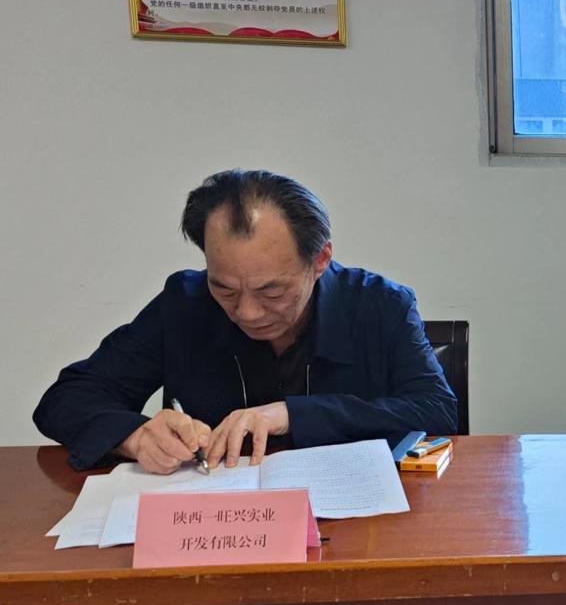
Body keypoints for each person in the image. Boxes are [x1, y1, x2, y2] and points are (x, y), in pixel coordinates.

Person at [34, 169, 457, 473]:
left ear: (320, 260)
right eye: (226, 290)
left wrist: (290, 414)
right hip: (214, 526)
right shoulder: (184, 304)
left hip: (352, 528)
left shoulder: (380, 304)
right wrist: (135, 436)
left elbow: (436, 411)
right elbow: (67, 398)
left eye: (272, 292)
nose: (247, 313)